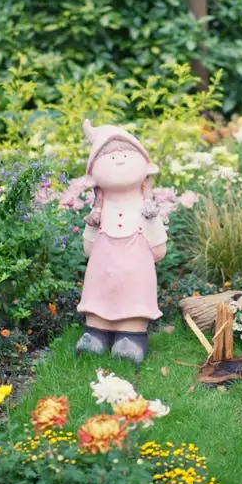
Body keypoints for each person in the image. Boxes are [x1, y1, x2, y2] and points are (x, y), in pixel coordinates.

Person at [74, 119, 167, 364]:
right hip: (103, 265)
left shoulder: (144, 207)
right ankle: (96, 332)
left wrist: (156, 242)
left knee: (133, 294)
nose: (119, 159)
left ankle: (131, 336)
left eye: (126, 153)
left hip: (136, 265)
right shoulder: (99, 209)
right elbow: (89, 247)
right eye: (110, 156)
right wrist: (92, 228)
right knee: (99, 293)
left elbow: (158, 247)